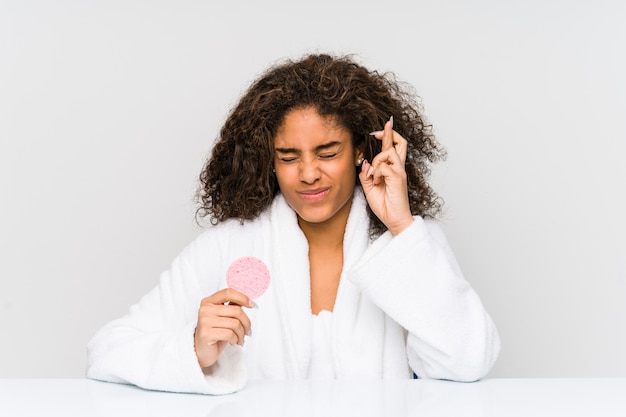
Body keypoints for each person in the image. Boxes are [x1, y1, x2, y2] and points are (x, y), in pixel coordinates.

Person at [86, 53, 500, 395]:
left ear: (361, 150)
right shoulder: (228, 247)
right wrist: (194, 350)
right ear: (268, 158)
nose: (307, 173)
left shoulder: (407, 245)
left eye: (327, 152)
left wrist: (400, 224)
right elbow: (106, 351)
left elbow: (467, 360)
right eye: (288, 157)